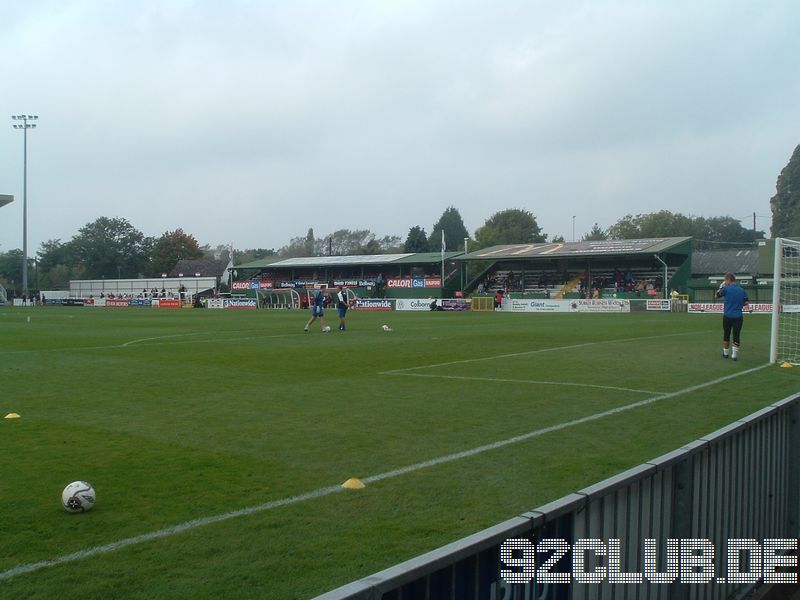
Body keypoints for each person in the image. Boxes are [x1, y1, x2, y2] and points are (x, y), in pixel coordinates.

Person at [716, 272, 750, 361]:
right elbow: (746, 303)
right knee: (736, 335)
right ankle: (734, 355)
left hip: (727, 315)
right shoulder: (742, 290)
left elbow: (716, 296)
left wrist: (720, 287)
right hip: (738, 316)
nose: (725, 282)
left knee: (726, 334)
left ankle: (725, 353)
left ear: (728, 279)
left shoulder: (726, 289)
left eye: (725, 280)